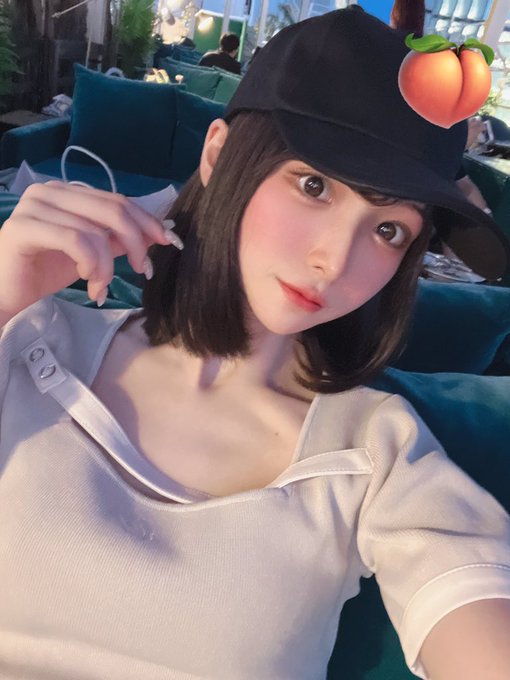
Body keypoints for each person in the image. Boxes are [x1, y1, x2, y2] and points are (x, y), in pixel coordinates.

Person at [0, 7, 509, 680]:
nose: (335, 261)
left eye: (389, 230)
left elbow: (470, 604)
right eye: (314, 185)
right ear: (217, 154)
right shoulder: (31, 344)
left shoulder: (376, 456)